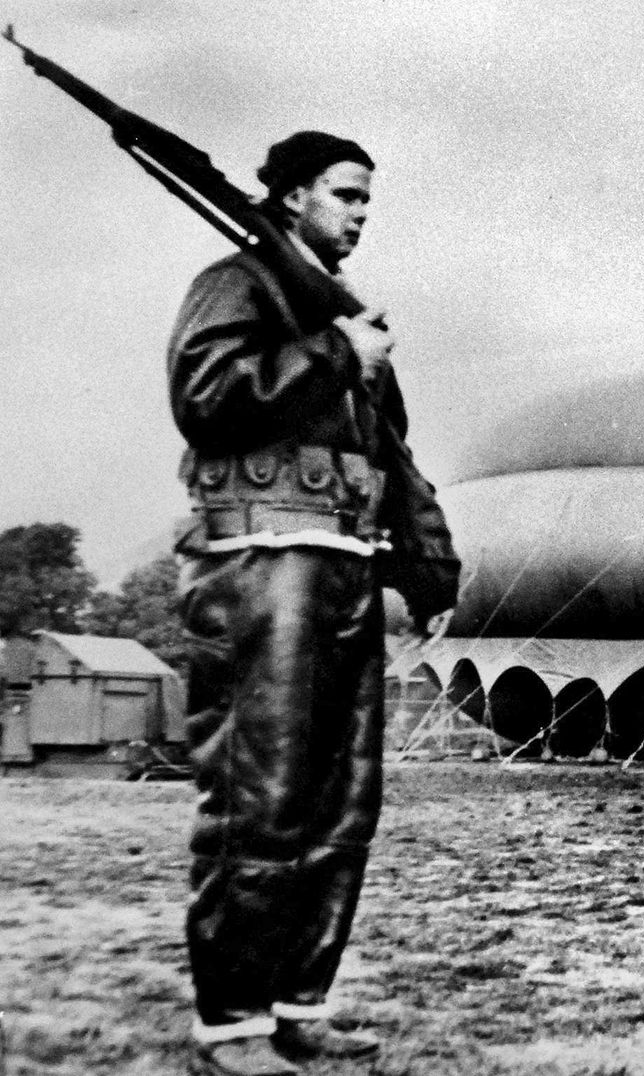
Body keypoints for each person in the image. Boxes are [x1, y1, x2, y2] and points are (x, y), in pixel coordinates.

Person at [168, 131, 459, 1076]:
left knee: (342, 807)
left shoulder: (345, 320)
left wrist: (430, 572)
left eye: (368, 198)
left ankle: (300, 1005)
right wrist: (335, 350)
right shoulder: (239, 286)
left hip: (344, 572)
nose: (361, 213)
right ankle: (234, 1023)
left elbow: (392, 460)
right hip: (261, 570)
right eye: (345, 195)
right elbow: (206, 396)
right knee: (263, 798)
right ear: (291, 198)